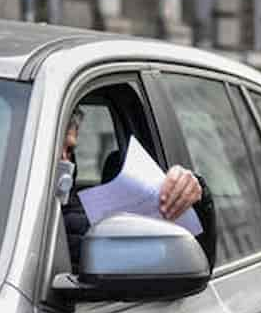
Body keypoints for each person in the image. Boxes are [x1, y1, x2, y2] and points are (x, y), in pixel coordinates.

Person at [59, 106, 209, 269]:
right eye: (55, 148)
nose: (64, 160)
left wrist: (194, 197)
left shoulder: (84, 217)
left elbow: (196, 263)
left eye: (69, 150)